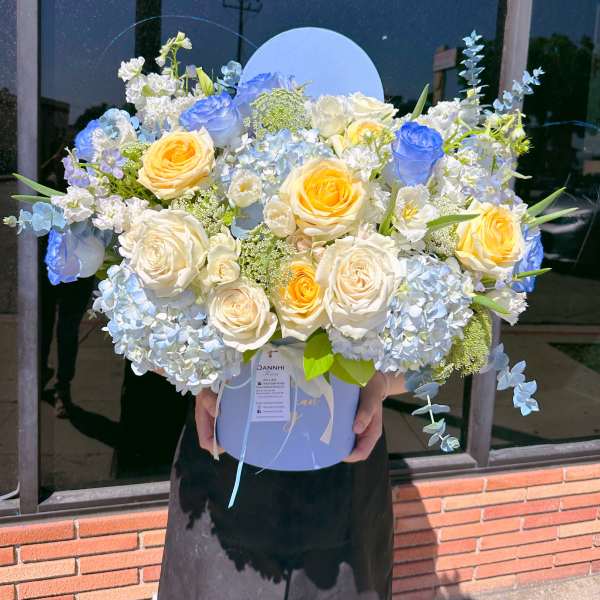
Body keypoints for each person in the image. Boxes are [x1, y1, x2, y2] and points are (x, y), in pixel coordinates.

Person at [157, 371, 406, 600]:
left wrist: (380, 383)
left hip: (345, 488)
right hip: (223, 477)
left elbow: (426, 360)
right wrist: (199, 380)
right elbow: (143, 344)